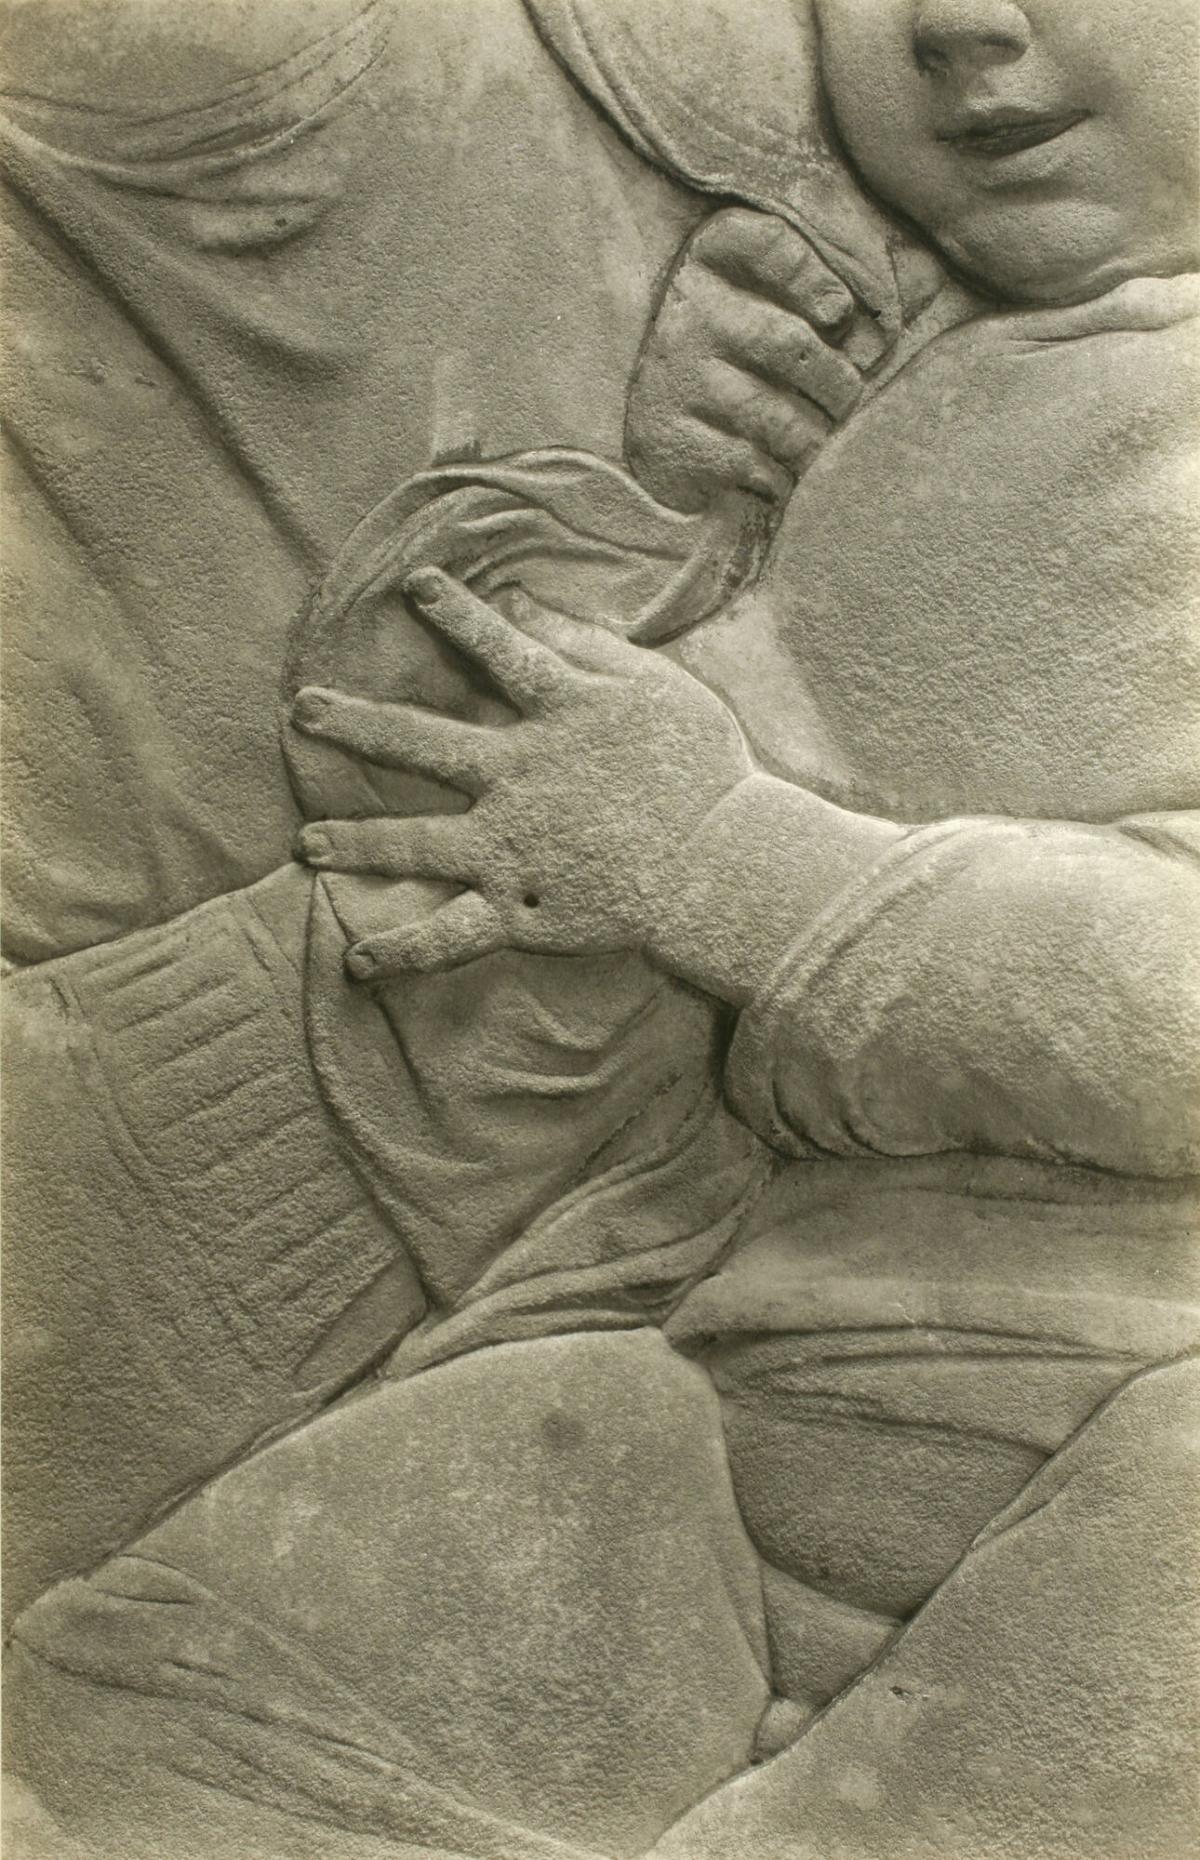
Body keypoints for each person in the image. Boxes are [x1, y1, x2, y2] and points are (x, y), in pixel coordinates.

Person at [7, 0, 1200, 1855]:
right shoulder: (898, 355)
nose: (962, 23)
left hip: (1093, 1414)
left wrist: (737, 862)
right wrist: (663, 500)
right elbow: (533, 791)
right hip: (722, 1368)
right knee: (147, 1696)